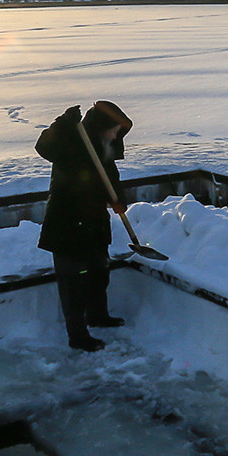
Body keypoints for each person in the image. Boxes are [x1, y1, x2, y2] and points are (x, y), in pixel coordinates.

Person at [35, 98, 133, 351]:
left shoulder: (102, 149)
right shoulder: (72, 143)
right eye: (114, 130)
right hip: (68, 223)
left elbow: (111, 178)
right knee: (73, 282)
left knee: (99, 273)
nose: (116, 136)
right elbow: (44, 146)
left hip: (94, 221)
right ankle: (77, 335)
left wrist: (118, 200)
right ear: (101, 127)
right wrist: (63, 124)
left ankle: (97, 316)